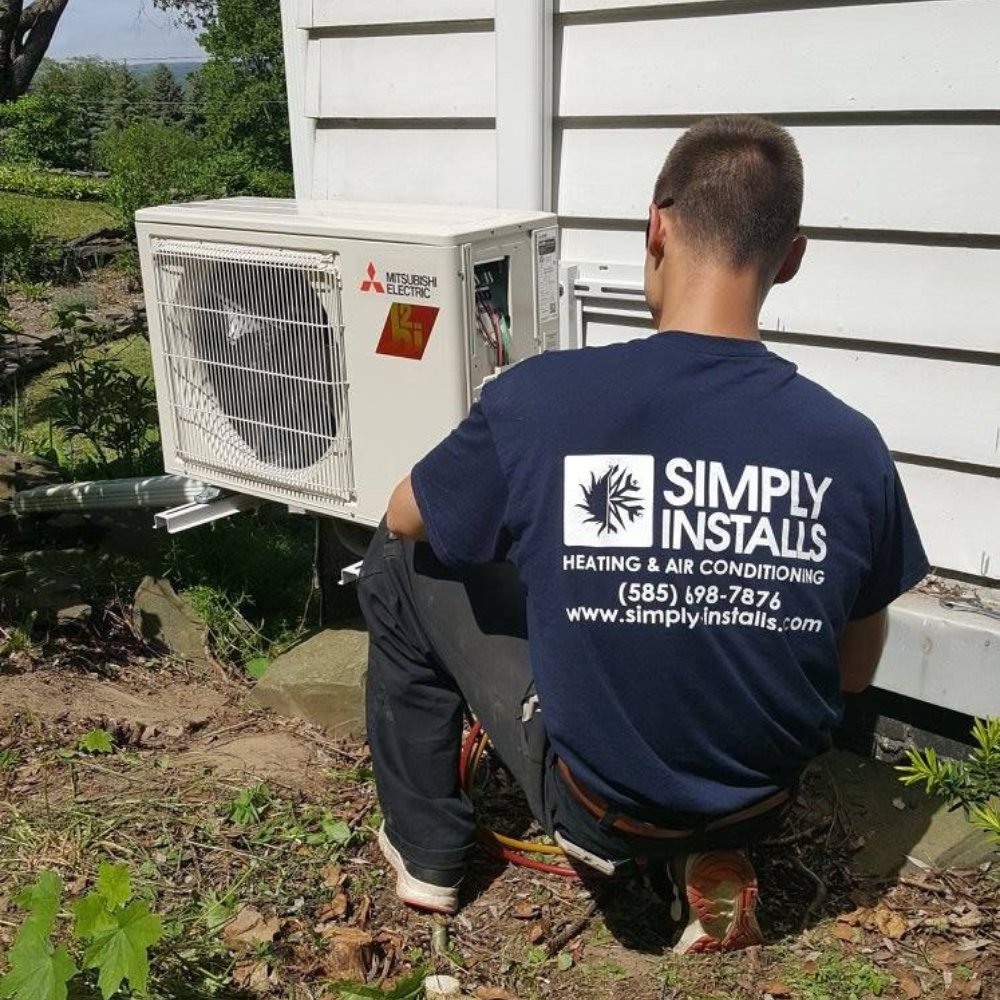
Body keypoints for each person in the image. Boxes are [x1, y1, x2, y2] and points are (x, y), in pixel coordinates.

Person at [357, 115, 928, 953]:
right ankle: (714, 851)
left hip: (601, 803)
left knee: (397, 560)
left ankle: (429, 852)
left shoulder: (548, 399)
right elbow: (852, 665)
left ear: (656, 227)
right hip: (763, 795)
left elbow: (409, 514)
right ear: (792, 256)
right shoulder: (850, 443)